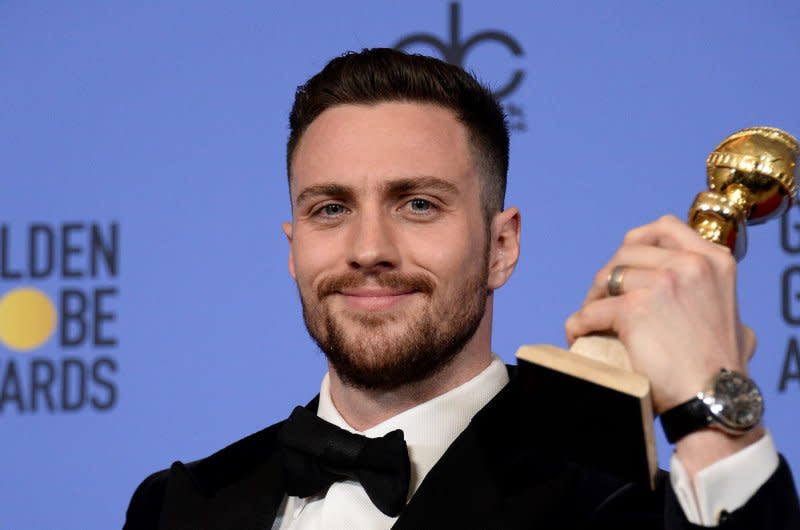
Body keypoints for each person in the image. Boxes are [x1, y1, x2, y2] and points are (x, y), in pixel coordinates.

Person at [124, 48, 799, 529]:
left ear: (501, 246)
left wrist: (718, 425)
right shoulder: (178, 504)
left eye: (417, 204)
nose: (368, 251)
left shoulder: (618, 494)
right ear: (293, 248)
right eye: (329, 209)